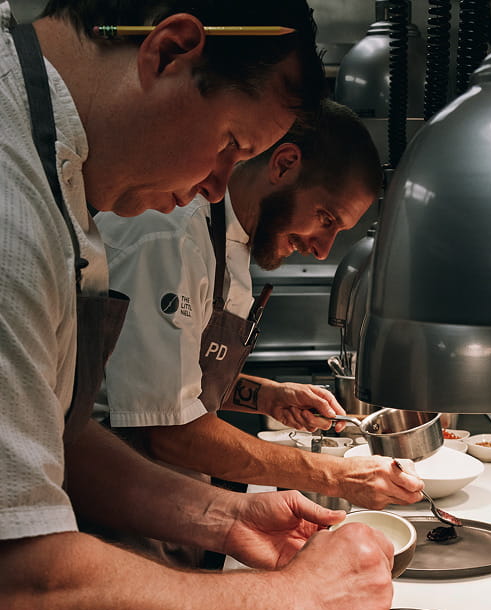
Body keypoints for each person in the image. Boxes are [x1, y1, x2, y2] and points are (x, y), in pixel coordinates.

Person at [0, 3, 397, 610]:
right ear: (170, 50)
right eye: (227, 145)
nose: (212, 189)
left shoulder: (56, 174)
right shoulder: (12, 210)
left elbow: (56, 436)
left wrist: (223, 520)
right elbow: (18, 592)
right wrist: (299, 605)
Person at [94, 99, 423, 511]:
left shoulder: (230, 239)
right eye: (326, 219)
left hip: (168, 498)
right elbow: (165, 427)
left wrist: (266, 396)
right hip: (112, 507)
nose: (323, 251)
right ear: (284, 164)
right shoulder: (170, 236)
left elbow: (176, 379)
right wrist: (335, 474)